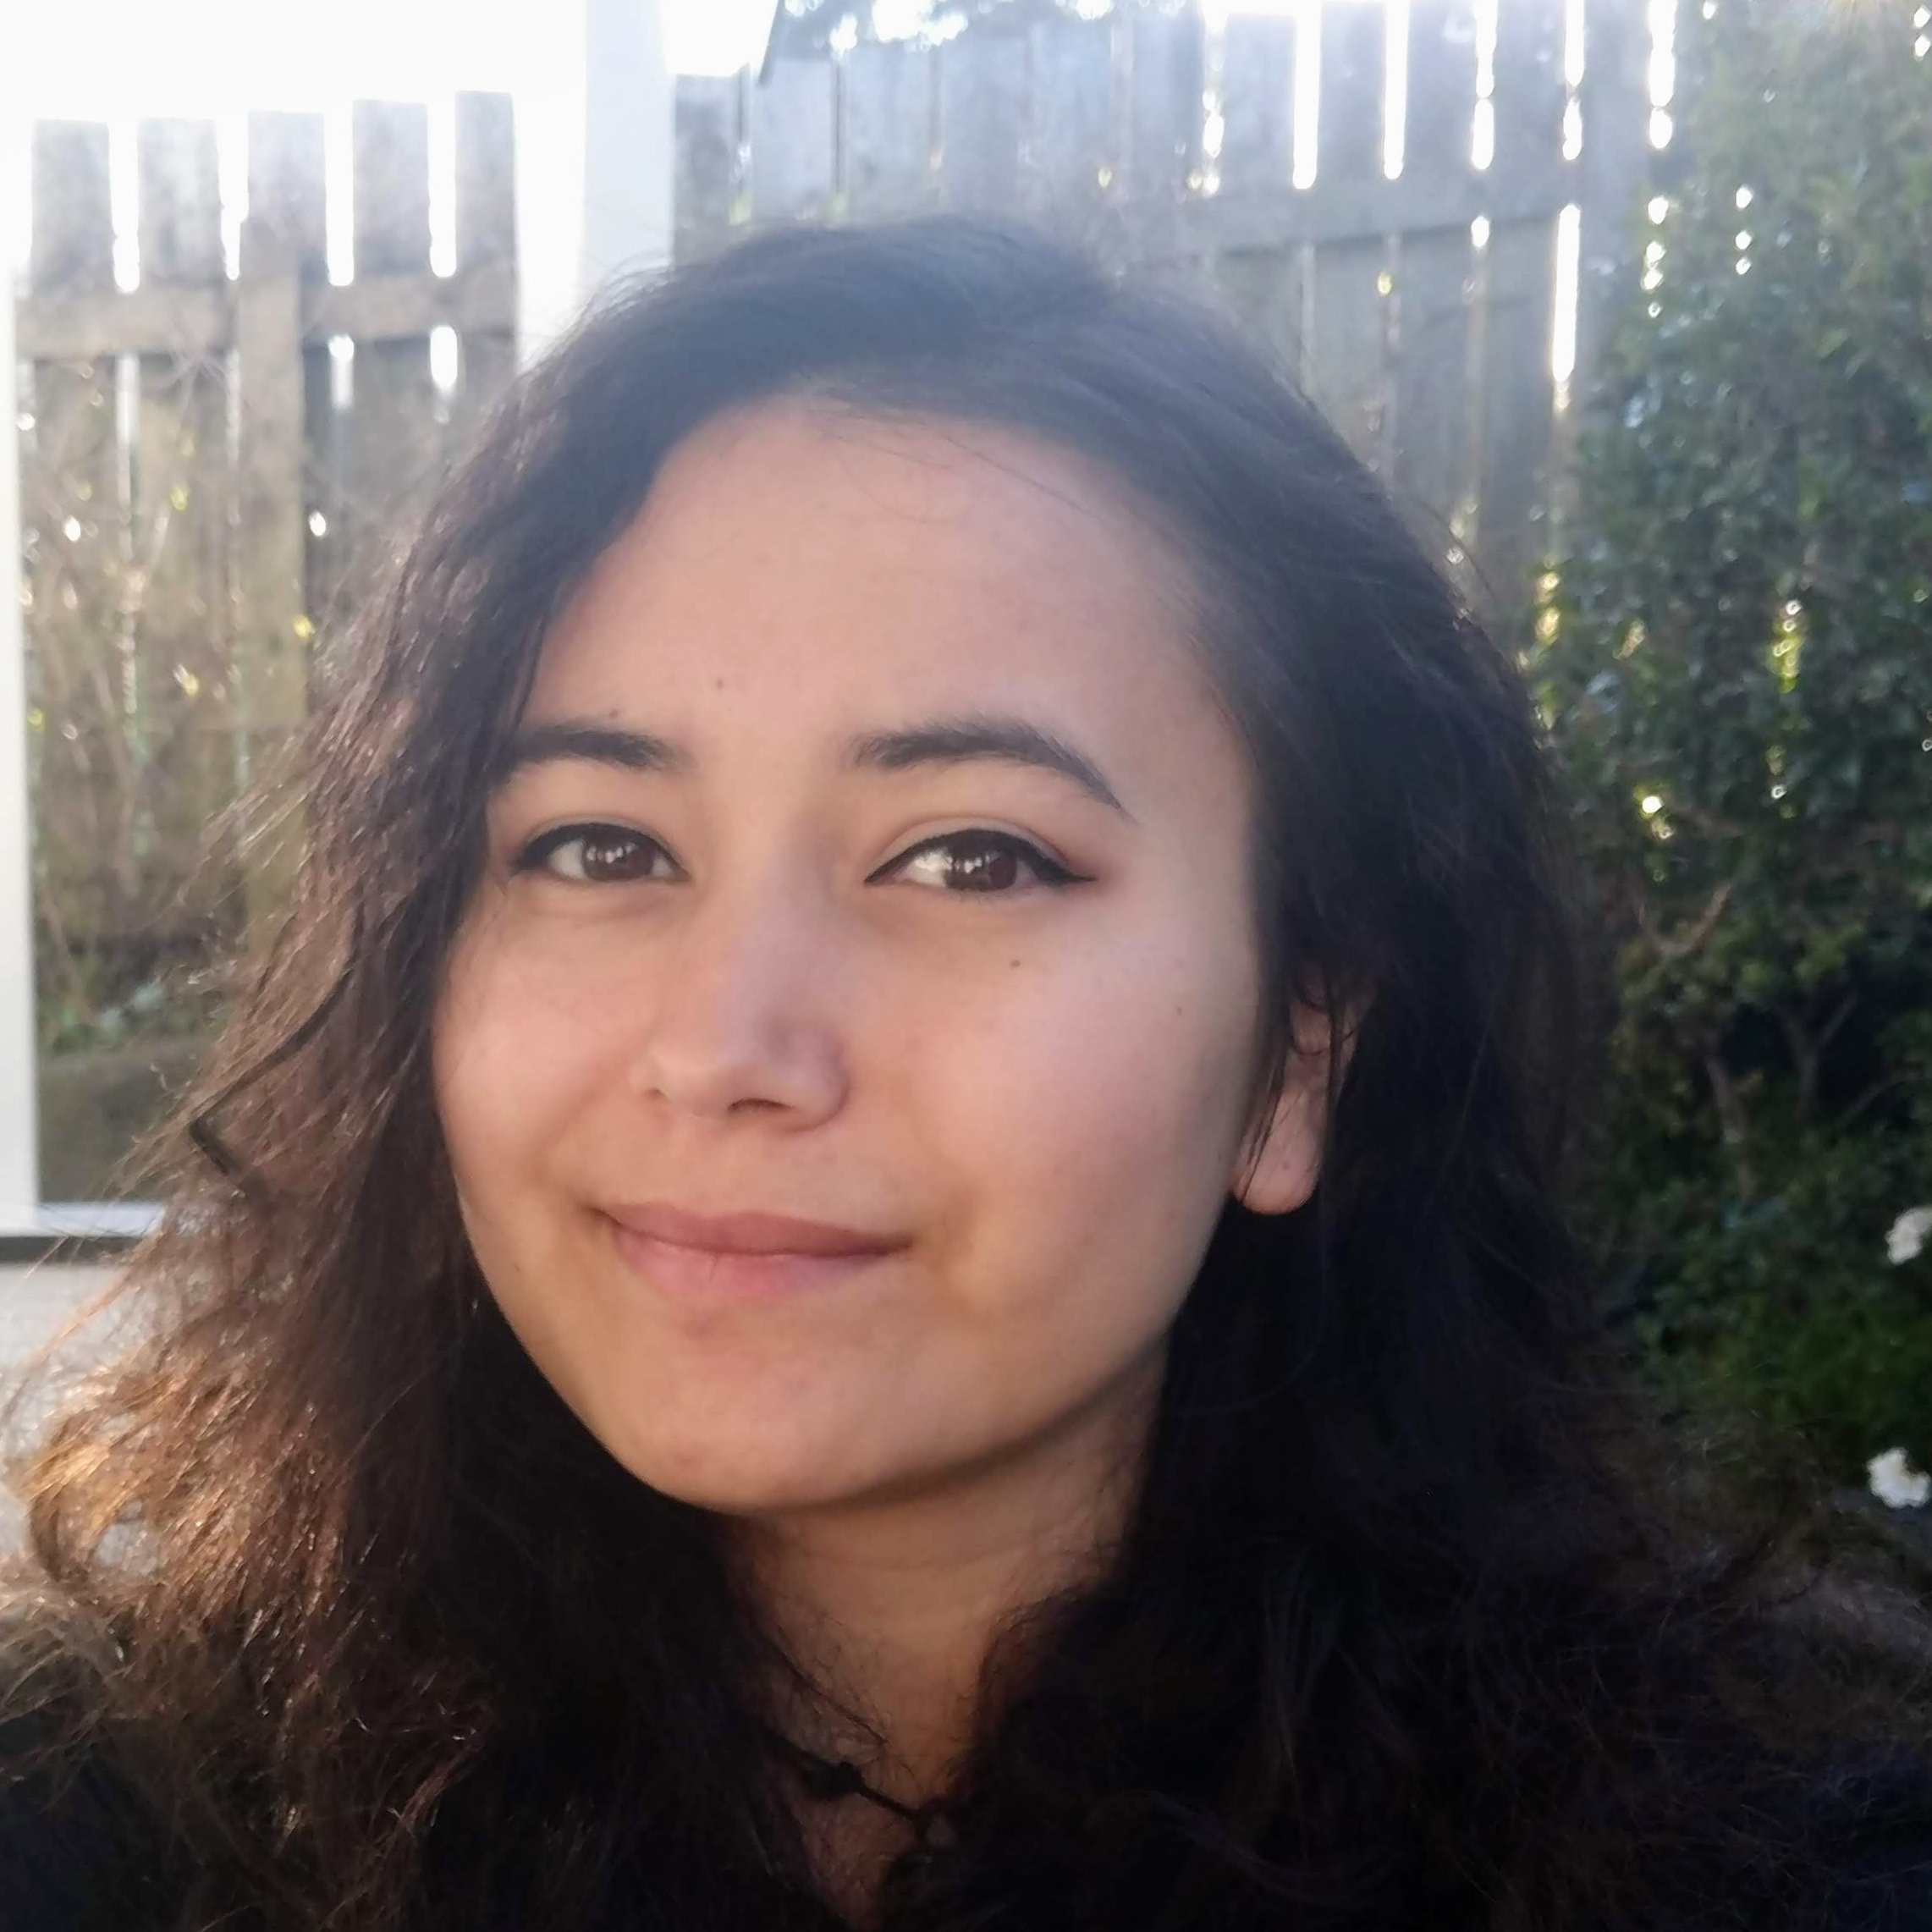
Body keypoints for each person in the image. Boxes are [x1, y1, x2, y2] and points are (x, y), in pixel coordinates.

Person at [3, 217, 1929, 1931]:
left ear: (1294, 1050)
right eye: (598, 845)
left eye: (973, 858)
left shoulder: (1765, 1858)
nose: (725, 1047)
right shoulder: (101, 1818)